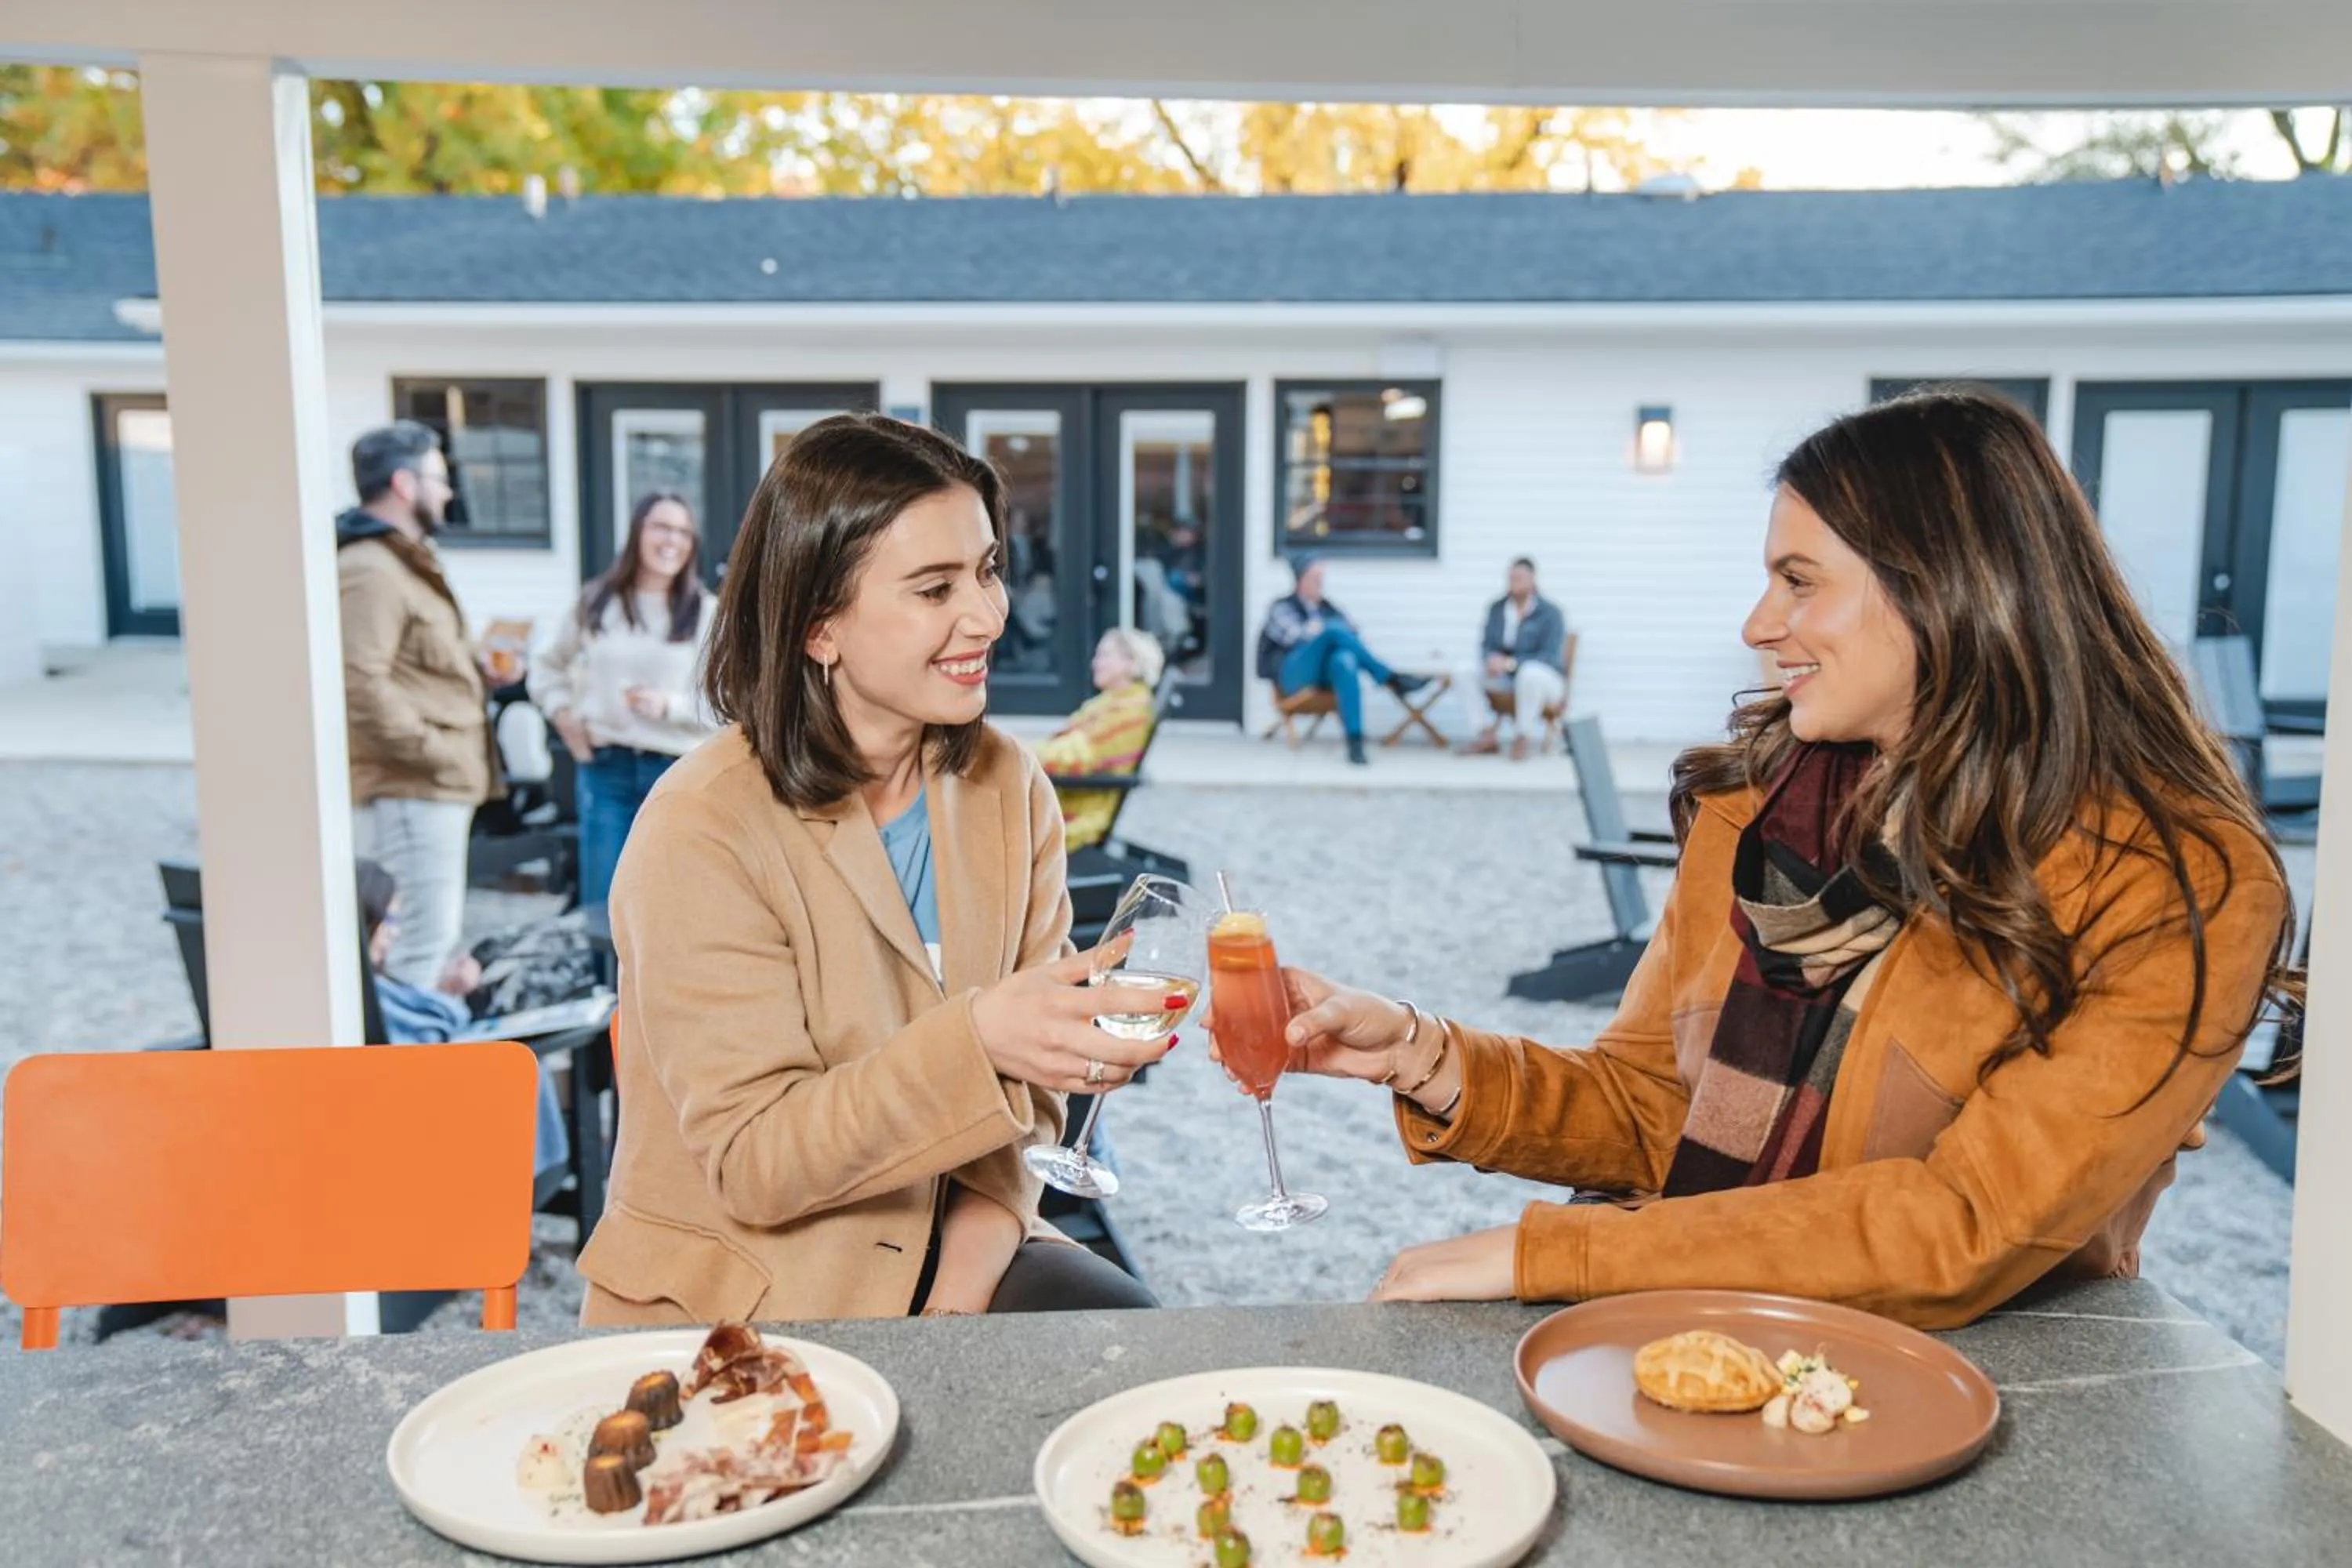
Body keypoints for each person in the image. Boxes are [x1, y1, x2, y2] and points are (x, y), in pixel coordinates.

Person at [1218, 388, 2297, 1329]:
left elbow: (1967, 1223)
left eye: (1798, 580)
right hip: (1701, 1326)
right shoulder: (1757, 814)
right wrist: (1416, 1049)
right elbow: (1654, 1111)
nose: (1756, 624)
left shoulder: (2184, 887)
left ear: (1950, 586)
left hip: (1982, 1384)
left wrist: (1558, 1256)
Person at [578, 412, 1164, 1325]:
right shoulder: (701, 825)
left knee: (1134, 1353)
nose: (988, 614)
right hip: (752, 1287)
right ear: (820, 628)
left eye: (988, 569)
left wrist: (957, 1302)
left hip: (955, 1241)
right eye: (934, 588)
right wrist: (983, 1039)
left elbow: (1033, 1105)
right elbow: (757, 1161)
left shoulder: (1008, 788)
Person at [338, 421, 501, 989]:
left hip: (431, 787)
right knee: (415, 949)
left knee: (431, 946)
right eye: (440, 478)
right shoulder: (370, 569)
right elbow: (359, 682)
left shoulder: (404, 562)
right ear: (405, 484)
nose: (450, 492)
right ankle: (406, 1074)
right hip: (413, 788)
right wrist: (435, 754)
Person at [528, 492, 720, 906]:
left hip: (678, 773)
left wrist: (670, 706)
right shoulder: (597, 601)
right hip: (605, 769)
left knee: (673, 901)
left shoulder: (706, 613)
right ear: (637, 533)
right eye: (662, 527)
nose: (673, 540)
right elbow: (546, 667)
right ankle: (605, 974)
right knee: (606, 898)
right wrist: (562, 710)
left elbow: (733, 702)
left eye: (683, 532)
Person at [354, 858, 570, 1185]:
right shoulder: (364, 991)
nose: (394, 932)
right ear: (368, 917)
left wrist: (446, 992)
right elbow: (421, 1040)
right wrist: (446, 1000)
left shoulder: (372, 985)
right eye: (390, 919)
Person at [1255, 557, 1431, 765]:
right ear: (1300, 580)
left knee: (1344, 660)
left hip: (1323, 675)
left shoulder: (1329, 609)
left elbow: (1353, 635)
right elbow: (1295, 636)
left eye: (1321, 579)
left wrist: (1322, 632)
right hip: (1293, 675)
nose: (1320, 584)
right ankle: (1391, 679)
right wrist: (1324, 632)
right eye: (1315, 578)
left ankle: (1355, 742)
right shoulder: (1282, 607)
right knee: (1334, 630)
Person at [1035, 628, 1163, 851]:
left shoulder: (1129, 712)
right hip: (1070, 797)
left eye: (1105, 655)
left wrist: (1020, 755)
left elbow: (1077, 757)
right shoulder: (1114, 702)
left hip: (1081, 813)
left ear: (1131, 662)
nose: (1095, 663)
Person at [1461, 557, 1569, 760]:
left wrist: (1512, 664)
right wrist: (1490, 660)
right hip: (1505, 679)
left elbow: (1550, 656)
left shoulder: (1550, 613)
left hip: (1544, 680)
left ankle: (1522, 736)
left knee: (1529, 674)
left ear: (1532, 579)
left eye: (1518, 578)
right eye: (1510, 578)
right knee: (1463, 671)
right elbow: (1486, 644)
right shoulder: (1497, 608)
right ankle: (1484, 735)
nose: (1513, 583)